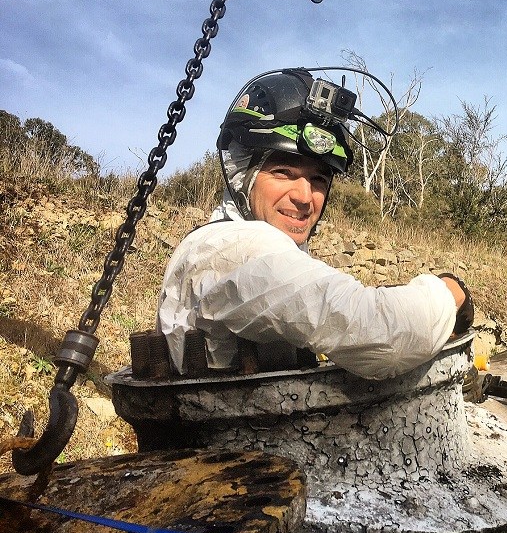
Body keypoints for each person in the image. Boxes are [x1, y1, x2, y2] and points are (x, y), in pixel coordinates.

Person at [156, 68, 473, 380]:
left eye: (318, 178)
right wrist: (449, 291)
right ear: (242, 176)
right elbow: (383, 336)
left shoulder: (221, 242)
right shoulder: (236, 248)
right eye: (283, 172)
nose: (305, 197)